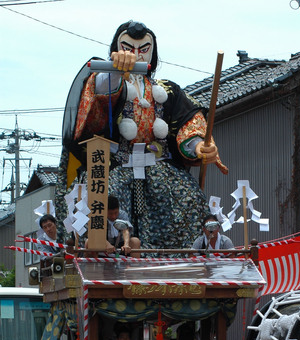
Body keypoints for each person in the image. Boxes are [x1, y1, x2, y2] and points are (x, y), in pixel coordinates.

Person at [57, 21, 226, 249]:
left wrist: (197, 146)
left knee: (189, 200)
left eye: (143, 49)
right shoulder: (108, 82)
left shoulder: (168, 90)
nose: (135, 54)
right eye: (128, 47)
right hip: (116, 166)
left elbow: (189, 122)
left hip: (160, 168)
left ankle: (180, 263)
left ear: (152, 52)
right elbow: (96, 102)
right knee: (98, 203)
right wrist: (115, 70)